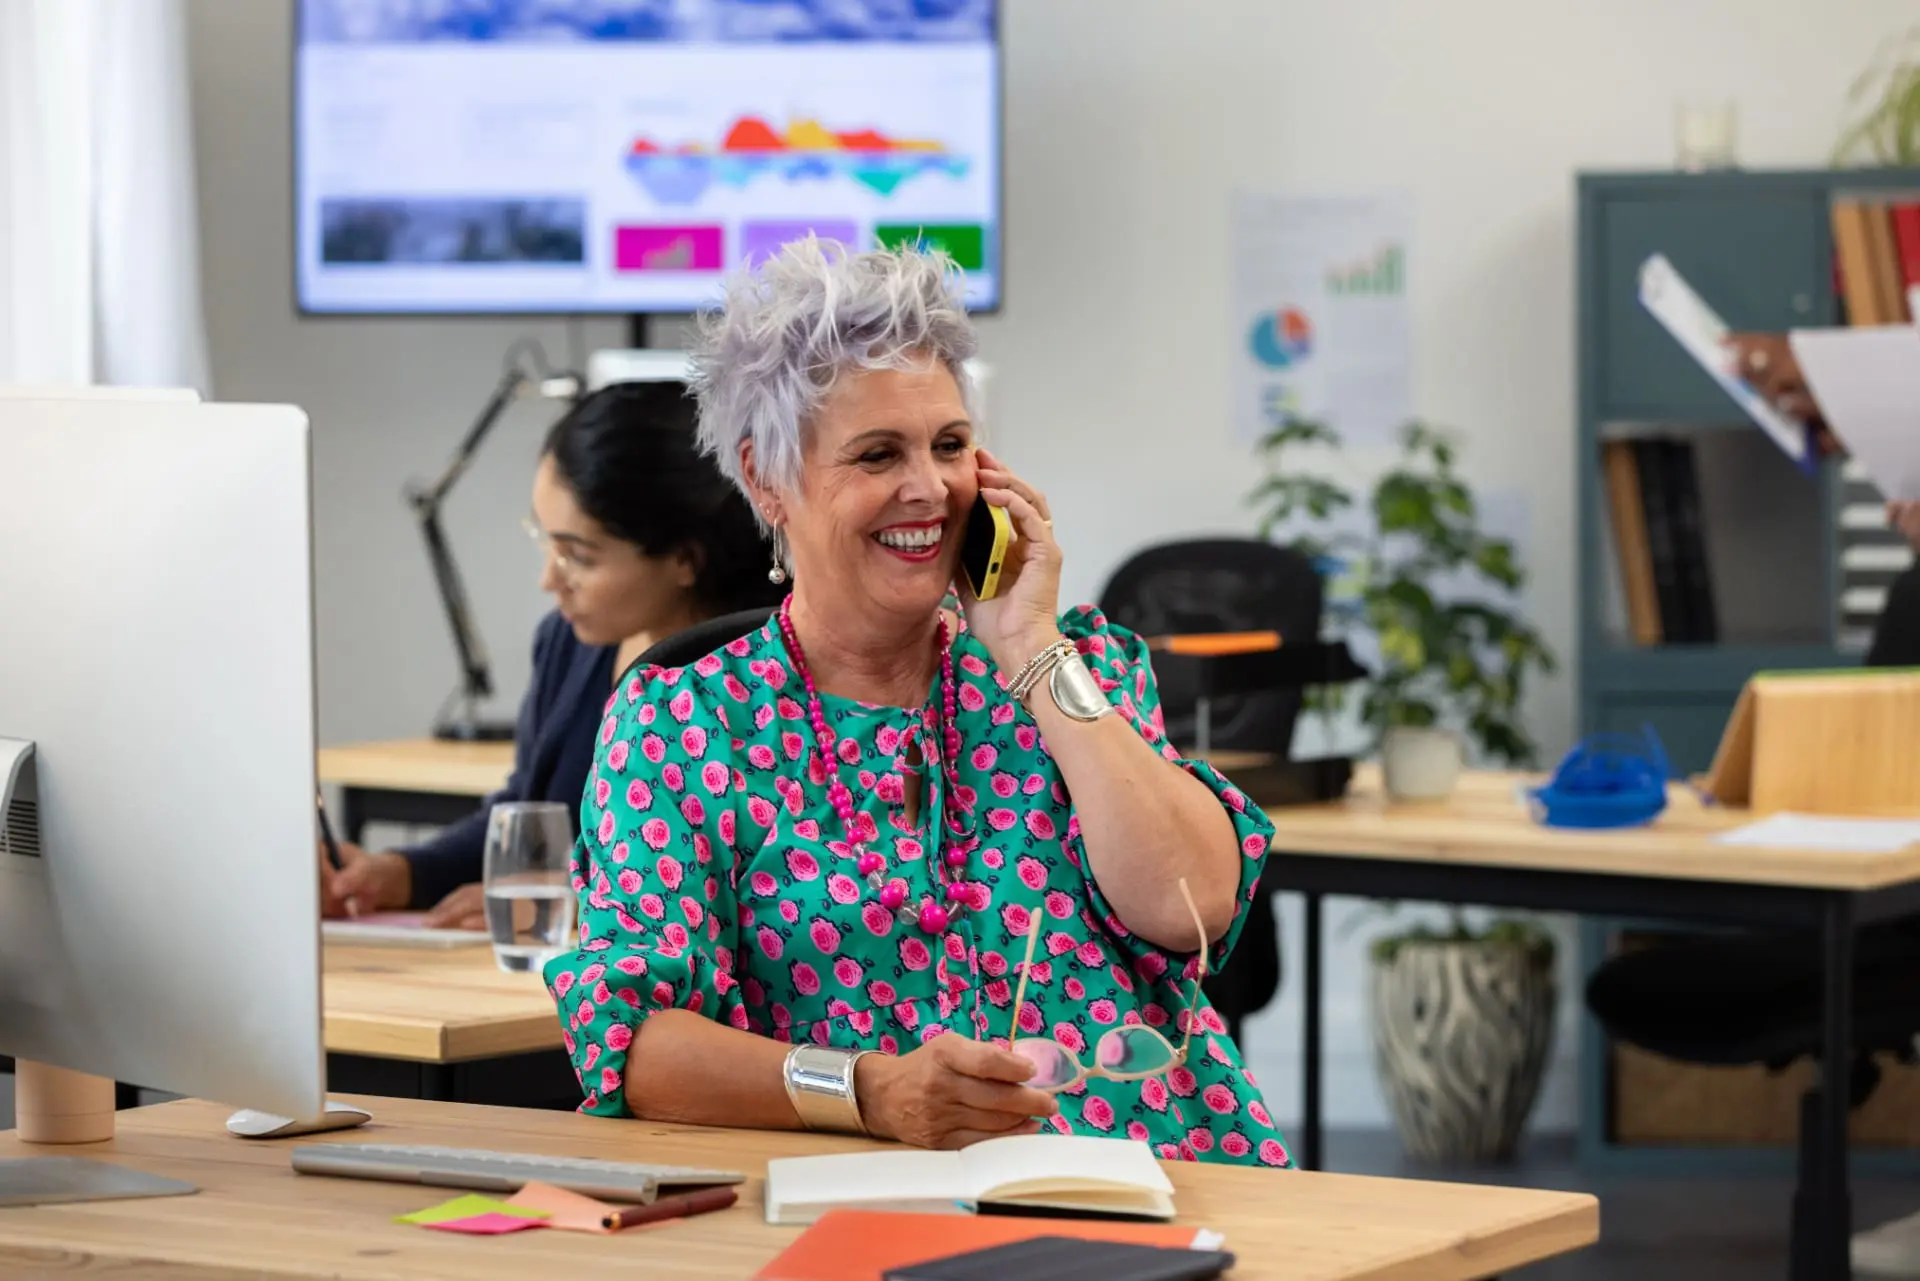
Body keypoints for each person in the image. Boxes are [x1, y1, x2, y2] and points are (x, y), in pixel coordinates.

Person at [541, 240, 1290, 1166]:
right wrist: (866, 1090)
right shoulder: (683, 724)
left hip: (1165, 1177)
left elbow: (1194, 905)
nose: (930, 489)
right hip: (883, 1198)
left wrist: (1028, 646)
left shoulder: (1070, 664)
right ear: (768, 478)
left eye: (949, 445)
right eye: (877, 454)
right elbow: (634, 1046)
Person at [321, 380, 782, 928]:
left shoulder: (765, 677)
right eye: (547, 543)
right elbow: (530, 823)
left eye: (577, 557)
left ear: (685, 559)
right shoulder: (569, 643)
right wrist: (401, 873)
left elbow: (778, 887)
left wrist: (574, 909)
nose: (548, 580)